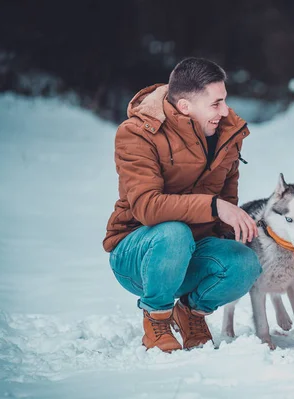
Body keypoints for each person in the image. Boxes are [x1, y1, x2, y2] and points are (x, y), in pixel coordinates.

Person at [103, 57, 262, 352]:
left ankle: (190, 313)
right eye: (216, 104)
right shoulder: (137, 133)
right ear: (186, 106)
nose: (225, 111)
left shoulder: (228, 133)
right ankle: (157, 317)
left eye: (224, 100)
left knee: (245, 261)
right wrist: (214, 207)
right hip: (138, 255)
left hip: (193, 250)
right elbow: (147, 207)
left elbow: (227, 202)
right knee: (174, 233)